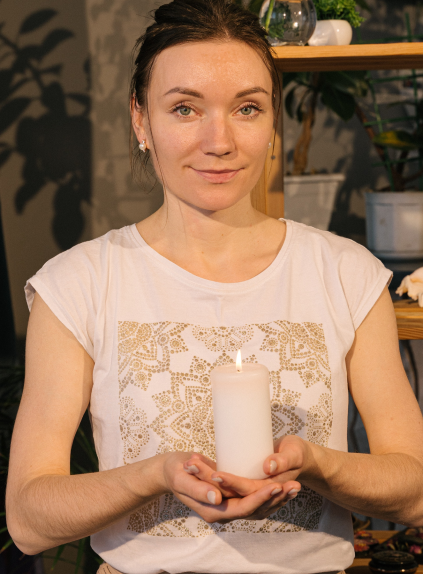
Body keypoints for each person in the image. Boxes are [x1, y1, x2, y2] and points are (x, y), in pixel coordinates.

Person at [6, 0, 423, 573]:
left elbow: (416, 491)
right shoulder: (79, 284)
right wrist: (154, 475)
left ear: (272, 122)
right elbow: (28, 520)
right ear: (140, 121)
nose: (219, 140)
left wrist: (317, 464)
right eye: (185, 108)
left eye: (247, 108)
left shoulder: (346, 273)